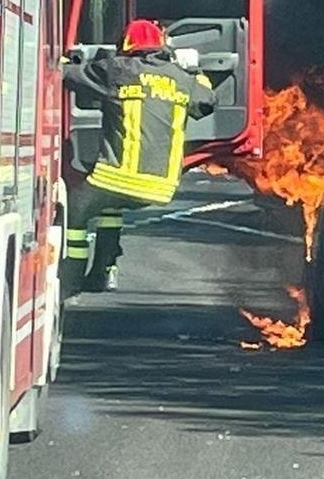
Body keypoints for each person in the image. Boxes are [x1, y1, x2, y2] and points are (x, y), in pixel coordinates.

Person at [61, 19, 216, 292]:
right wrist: (194, 70)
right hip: (161, 188)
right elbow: (207, 101)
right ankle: (104, 271)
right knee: (109, 205)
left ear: (127, 44)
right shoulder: (180, 79)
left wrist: (67, 60)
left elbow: (70, 76)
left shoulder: (119, 69)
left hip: (116, 178)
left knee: (76, 209)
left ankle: (71, 281)